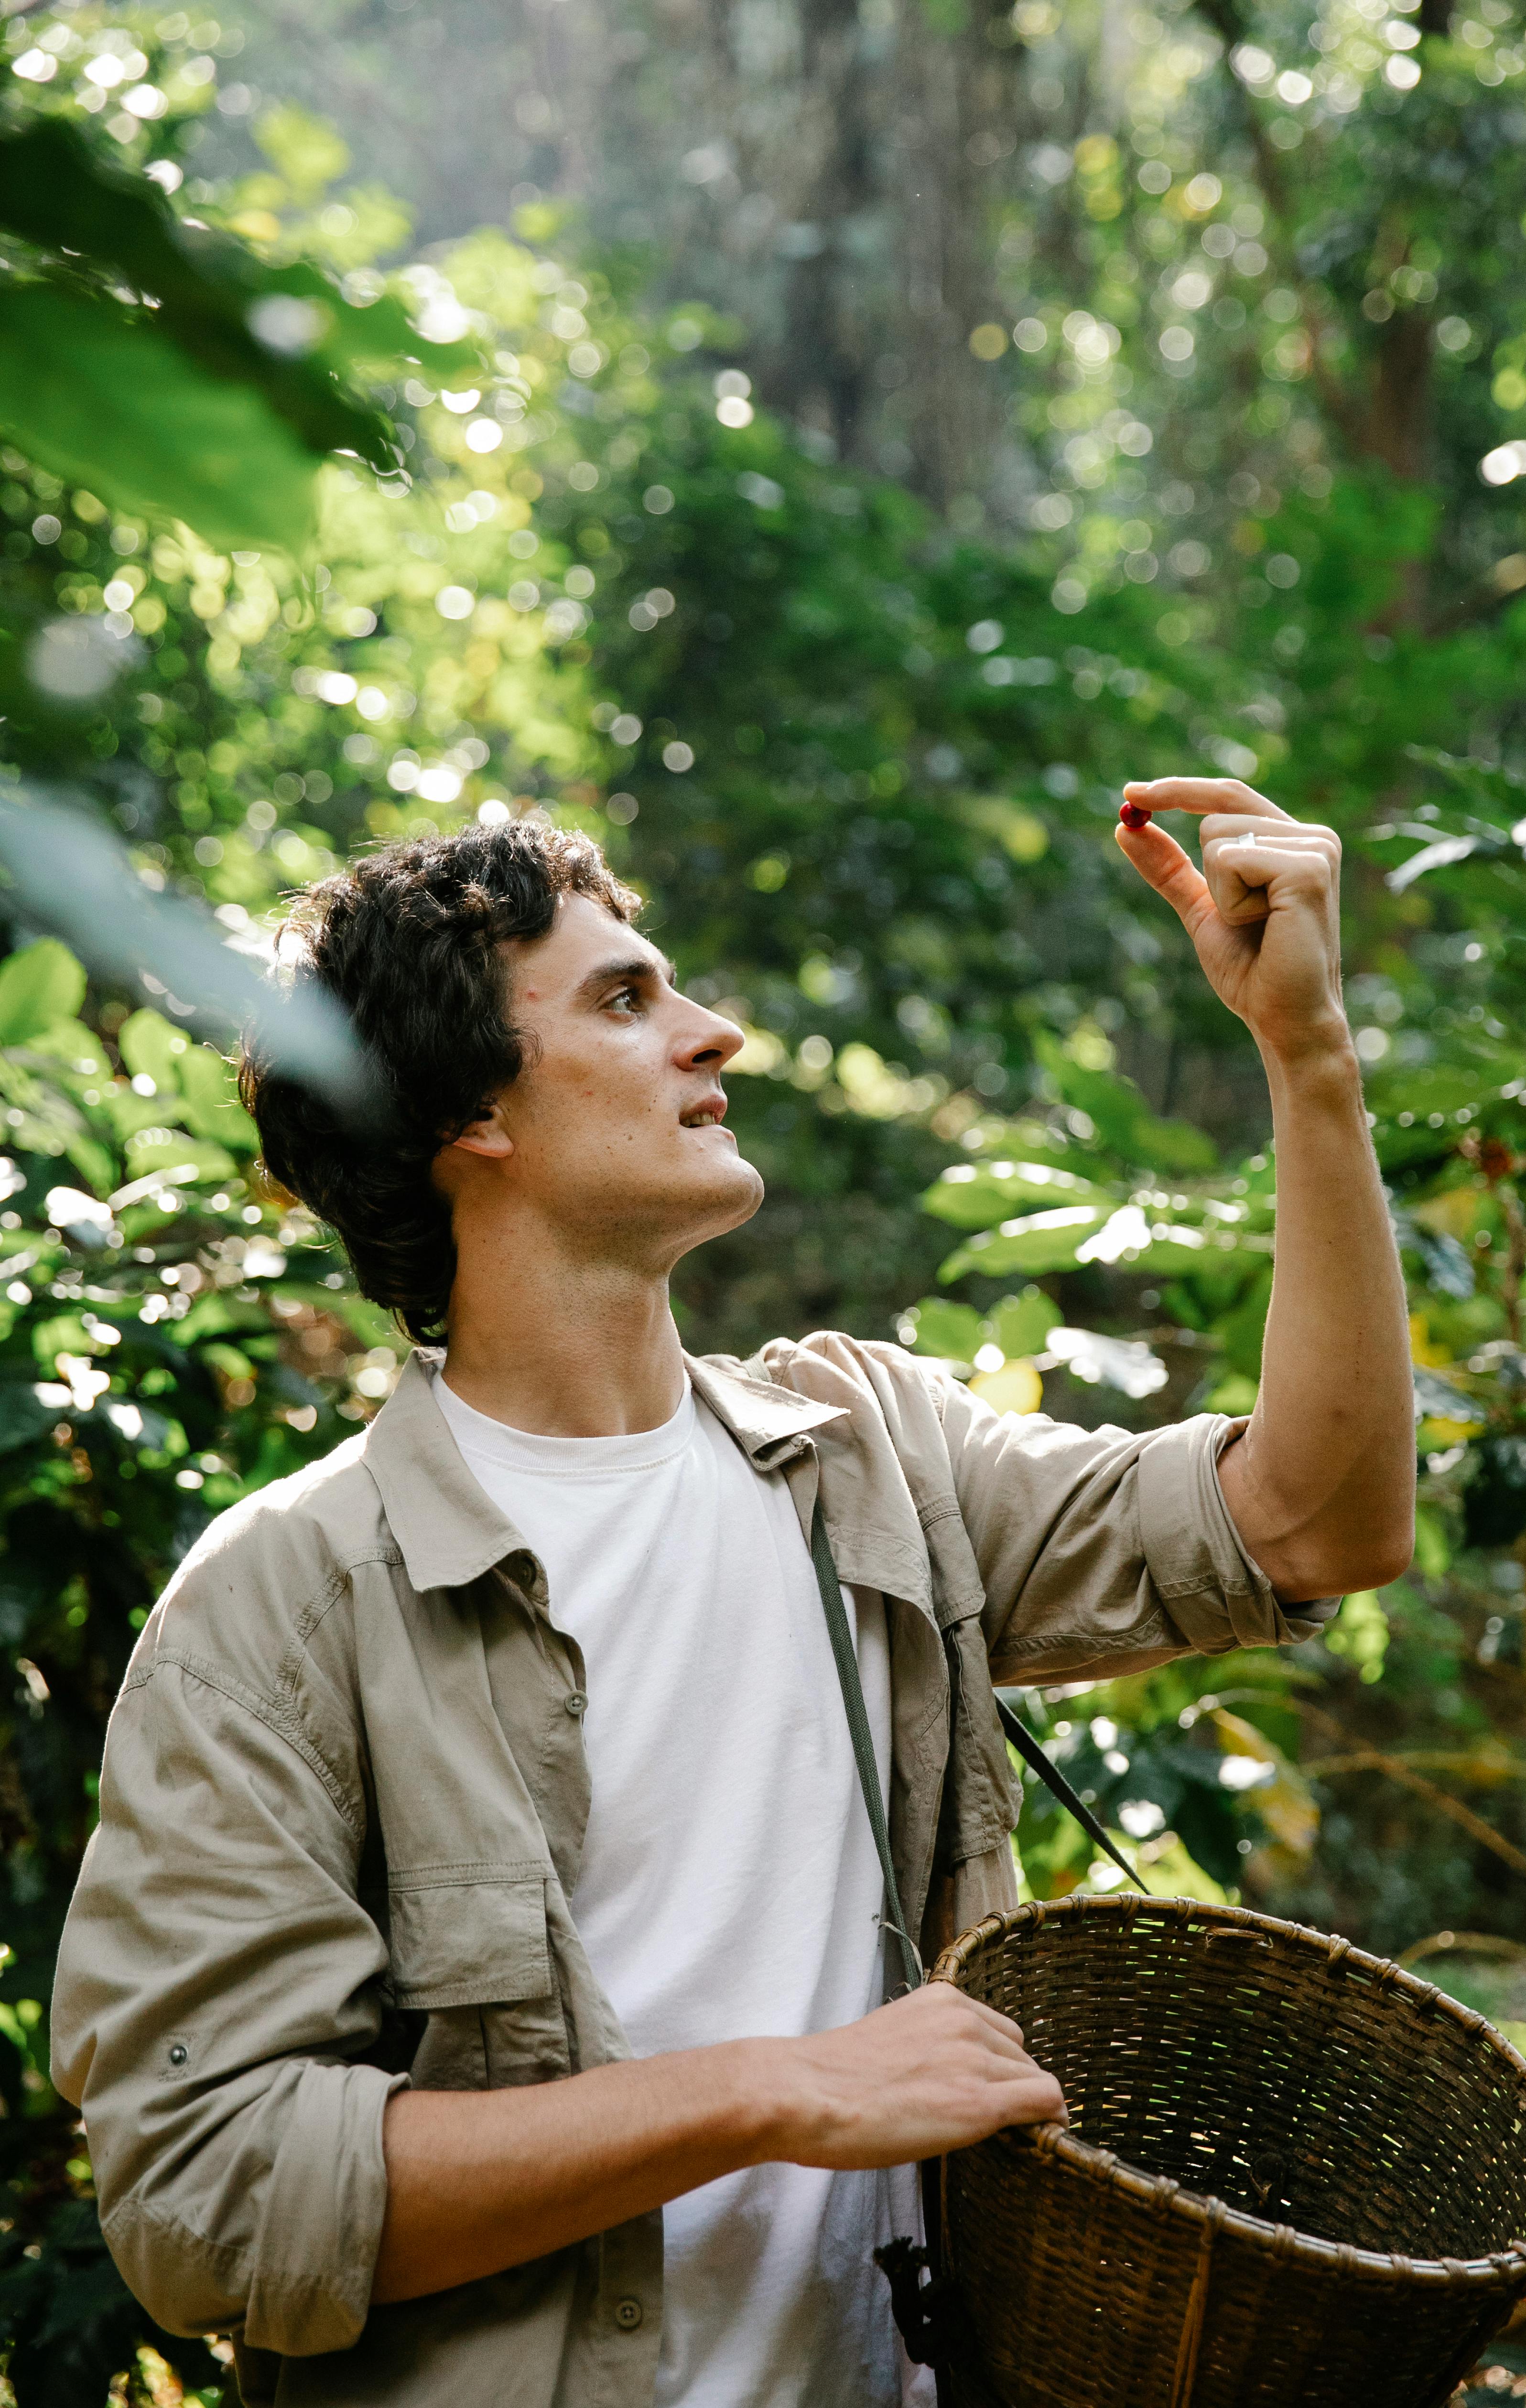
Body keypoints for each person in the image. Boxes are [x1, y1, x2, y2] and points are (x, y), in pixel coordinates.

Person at [52, 777, 1416, 2408]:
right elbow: (210, 2205)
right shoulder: (280, 1606)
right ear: (469, 1117)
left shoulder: (876, 1457)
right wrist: (774, 2091)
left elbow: (1315, 1522)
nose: (718, 1036)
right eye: (628, 999)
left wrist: (1312, 1062)